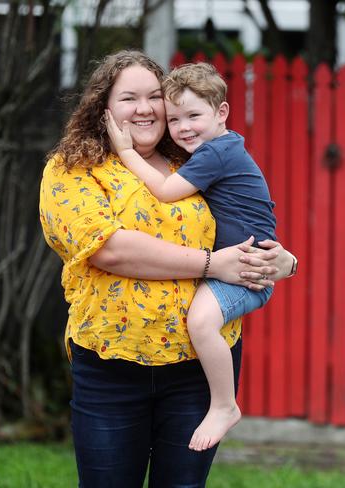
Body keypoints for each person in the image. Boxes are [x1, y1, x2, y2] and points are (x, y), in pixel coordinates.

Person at [39, 50, 297, 488]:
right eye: (128, 98)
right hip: (112, 368)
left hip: (195, 372)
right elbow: (111, 250)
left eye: (154, 96)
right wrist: (214, 264)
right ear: (104, 108)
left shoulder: (193, 158)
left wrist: (286, 262)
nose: (144, 108)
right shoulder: (73, 170)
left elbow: (245, 217)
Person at [105, 62, 277, 452]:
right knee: (200, 320)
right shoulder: (220, 147)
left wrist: (127, 152)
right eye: (175, 119)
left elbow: (165, 191)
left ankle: (224, 405)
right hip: (241, 267)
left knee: (200, 323)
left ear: (222, 113)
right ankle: (221, 403)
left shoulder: (216, 153)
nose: (183, 128)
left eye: (194, 116)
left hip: (247, 271)